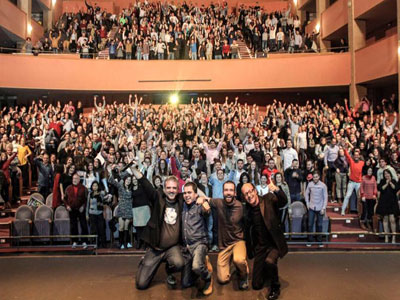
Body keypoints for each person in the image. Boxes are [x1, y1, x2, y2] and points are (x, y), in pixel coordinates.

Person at [131, 164, 185, 290]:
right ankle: (144, 262)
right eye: (169, 188)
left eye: (174, 188)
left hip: (172, 247)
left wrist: (204, 200)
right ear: (164, 189)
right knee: (141, 284)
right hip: (155, 248)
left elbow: (193, 191)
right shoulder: (157, 199)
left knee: (179, 263)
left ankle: (169, 271)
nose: (171, 190)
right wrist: (133, 168)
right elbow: (145, 183)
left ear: (178, 190)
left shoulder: (181, 201)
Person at [241, 182, 288, 300]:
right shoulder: (247, 211)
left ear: (255, 191)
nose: (249, 195)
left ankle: (275, 286)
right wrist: (251, 252)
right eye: (246, 194)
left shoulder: (268, 199)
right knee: (256, 285)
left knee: (270, 262)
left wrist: (276, 190)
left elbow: (283, 201)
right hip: (261, 247)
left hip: (274, 243)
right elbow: (248, 233)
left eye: (250, 191)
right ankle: (268, 271)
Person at [199, 181, 249, 290]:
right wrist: (202, 200)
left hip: (238, 241)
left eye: (231, 190)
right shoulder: (218, 203)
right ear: (223, 192)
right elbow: (204, 197)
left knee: (239, 260)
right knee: (222, 280)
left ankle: (244, 275)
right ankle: (232, 264)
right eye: (226, 190)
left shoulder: (240, 206)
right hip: (224, 245)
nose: (228, 193)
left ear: (235, 193)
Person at [180, 182, 213, 295]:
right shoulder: (183, 205)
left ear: (195, 195)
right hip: (187, 247)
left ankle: (208, 276)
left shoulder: (200, 205)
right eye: (185, 193)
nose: (187, 195)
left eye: (190, 192)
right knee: (185, 283)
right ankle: (200, 265)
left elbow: (207, 211)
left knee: (197, 267)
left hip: (199, 243)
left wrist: (204, 200)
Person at [64, 173, 88, 249]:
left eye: (76, 178)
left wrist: (83, 206)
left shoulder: (84, 188)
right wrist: (67, 206)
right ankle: (75, 241)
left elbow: (86, 199)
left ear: (79, 180)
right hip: (72, 210)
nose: (74, 180)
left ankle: (84, 241)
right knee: (73, 226)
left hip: (81, 209)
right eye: (73, 178)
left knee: (83, 225)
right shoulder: (68, 188)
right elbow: (64, 199)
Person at [304, 172, 328, 246]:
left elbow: (325, 197)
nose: (315, 178)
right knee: (310, 224)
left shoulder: (323, 185)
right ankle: (310, 240)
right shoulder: (310, 184)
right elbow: (306, 194)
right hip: (311, 207)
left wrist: (323, 208)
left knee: (319, 225)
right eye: (314, 177)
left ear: (319, 177)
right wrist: (307, 204)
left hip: (320, 208)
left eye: (316, 177)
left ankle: (319, 241)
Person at [341, 143, 364, 216]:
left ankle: (359, 211)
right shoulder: (351, 161)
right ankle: (343, 210)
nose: (356, 156)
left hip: (359, 183)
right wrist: (345, 149)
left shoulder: (362, 163)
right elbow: (347, 155)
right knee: (347, 195)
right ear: (354, 156)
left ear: (359, 156)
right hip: (351, 182)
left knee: (359, 197)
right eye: (355, 155)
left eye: (357, 155)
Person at [376, 170, 399, 243]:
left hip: (392, 203)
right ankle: (386, 236)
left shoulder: (394, 181)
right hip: (384, 203)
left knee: (392, 220)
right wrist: (386, 184)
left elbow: (396, 188)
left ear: (390, 174)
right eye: (385, 174)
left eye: (388, 173)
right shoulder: (382, 181)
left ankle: (393, 237)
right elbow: (380, 189)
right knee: (385, 220)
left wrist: (390, 183)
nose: (386, 175)